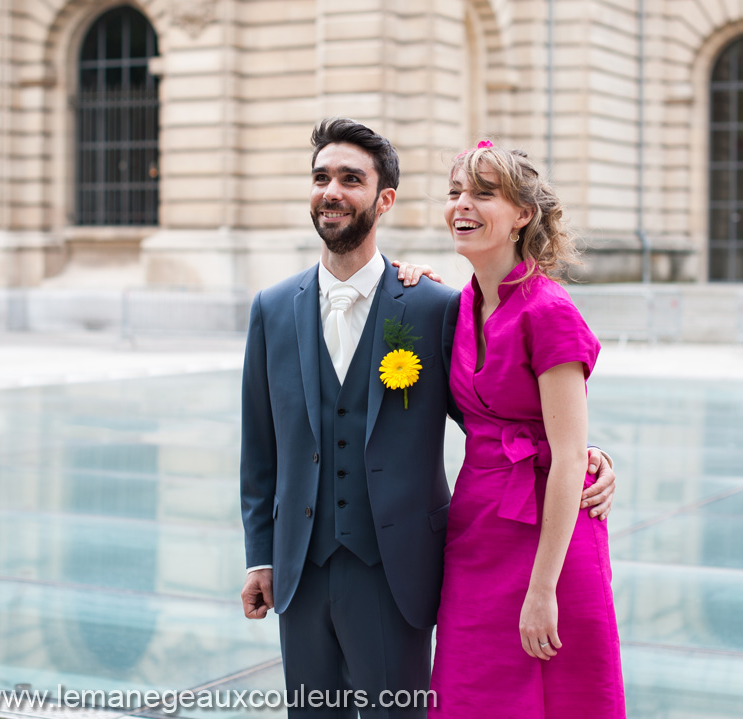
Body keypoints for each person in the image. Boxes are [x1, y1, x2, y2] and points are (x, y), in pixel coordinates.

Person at [238, 117, 616, 718]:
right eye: (321, 177)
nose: (332, 191)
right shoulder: (275, 308)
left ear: (383, 199)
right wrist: (260, 554)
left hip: (399, 569)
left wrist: (587, 456)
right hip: (300, 567)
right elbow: (258, 449)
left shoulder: (432, 308)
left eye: (350, 179)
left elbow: (507, 419)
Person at [422, 143, 627, 717]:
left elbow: (566, 458)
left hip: (551, 541)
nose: (462, 205)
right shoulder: (460, 305)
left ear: (523, 215)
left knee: (565, 695)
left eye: (483, 194)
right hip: (477, 526)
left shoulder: (549, 310)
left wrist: (542, 591)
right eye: (456, 193)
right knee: (466, 690)